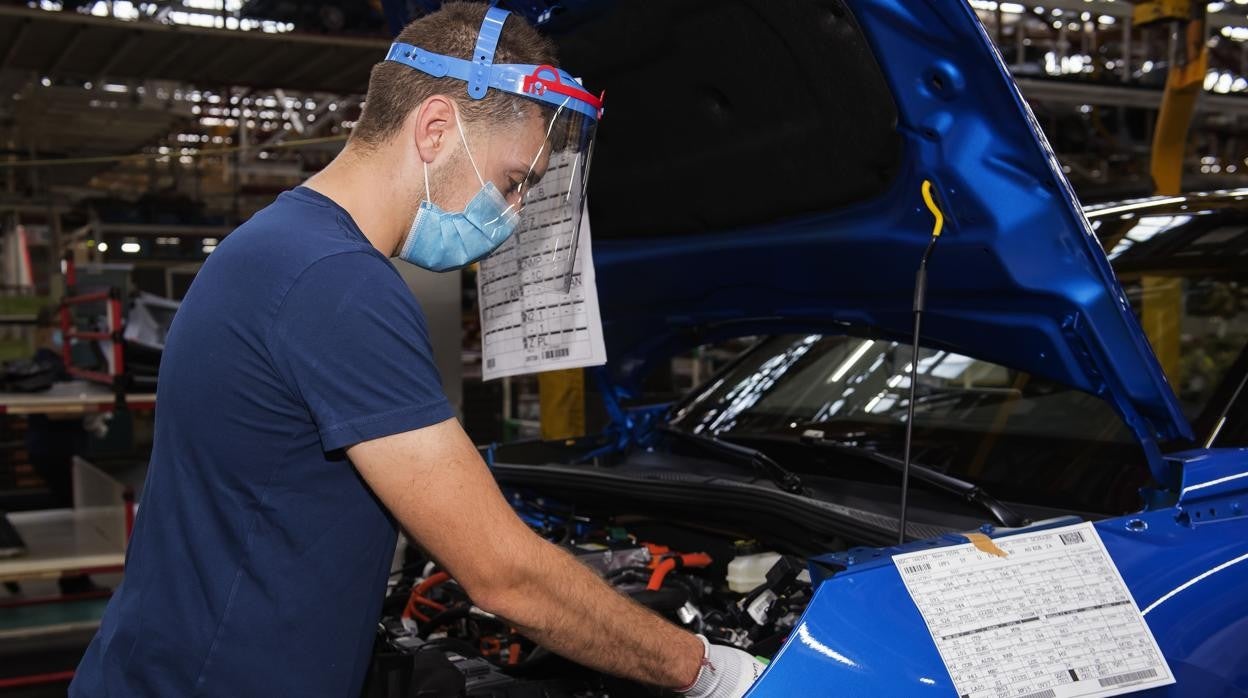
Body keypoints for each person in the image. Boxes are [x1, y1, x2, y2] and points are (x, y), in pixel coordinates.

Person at [71, 4, 765, 697]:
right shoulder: (334, 282)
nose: (514, 211)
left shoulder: (282, 246)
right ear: (435, 129)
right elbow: (504, 575)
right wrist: (712, 670)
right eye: (515, 180)